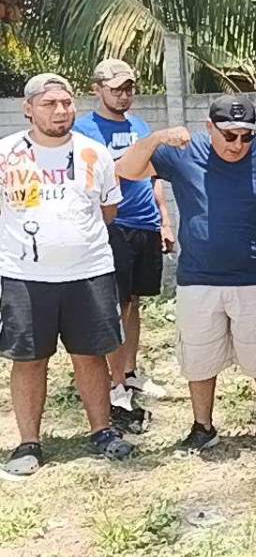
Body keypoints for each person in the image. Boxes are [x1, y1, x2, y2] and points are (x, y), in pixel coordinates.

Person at [115, 95, 256, 452]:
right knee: (199, 356)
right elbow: (126, 170)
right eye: (230, 135)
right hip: (199, 278)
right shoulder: (182, 153)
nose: (238, 144)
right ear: (210, 129)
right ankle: (202, 427)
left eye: (246, 136)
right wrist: (156, 138)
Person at [0, 73, 135, 477]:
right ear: (28, 109)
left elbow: (108, 212)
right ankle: (29, 443)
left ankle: (102, 431)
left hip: (89, 273)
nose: (60, 111)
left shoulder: (96, 153)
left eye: (66, 102)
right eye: (49, 104)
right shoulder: (6, 155)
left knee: (90, 355)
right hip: (24, 276)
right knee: (29, 360)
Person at [74, 59, 173, 433]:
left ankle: (128, 373)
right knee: (113, 304)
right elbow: (113, 170)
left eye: (129, 87)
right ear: (97, 89)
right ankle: (114, 386)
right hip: (112, 225)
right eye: (116, 88)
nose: (124, 94)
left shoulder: (140, 126)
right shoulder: (84, 130)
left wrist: (164, 218)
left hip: (145, 223)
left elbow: (153, 175)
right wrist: (147, 147)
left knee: (133, 302)